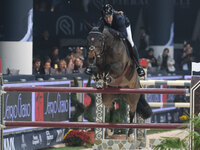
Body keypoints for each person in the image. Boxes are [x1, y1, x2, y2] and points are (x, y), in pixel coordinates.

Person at [85, 4, 145, 77]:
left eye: (109, 17)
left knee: (130, 42)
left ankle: (138, 66)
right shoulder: (101, 20)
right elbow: (99, 33)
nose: (107, 19)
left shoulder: (120, 19)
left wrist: (111, 31)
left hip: (123, 28)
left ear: (112, 14)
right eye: (105, 17)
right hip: (111, 31)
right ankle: (93, 66)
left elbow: (124, 34)